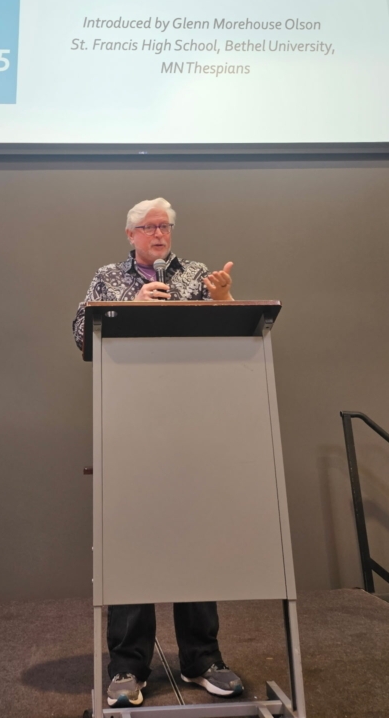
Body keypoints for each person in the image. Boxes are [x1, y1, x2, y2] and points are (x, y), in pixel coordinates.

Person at [73, 197, 243, 709]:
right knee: (132, 540)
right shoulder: (107, 278)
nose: (159, 233)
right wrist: (131, 308)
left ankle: (202, 659)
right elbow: (83, 336)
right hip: (130, 423)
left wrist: (225, 298)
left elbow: (231, 336)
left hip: (191, 422)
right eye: (149, 227)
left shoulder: (195, 274)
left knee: (194, 538)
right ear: (130, 235)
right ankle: (127, 667)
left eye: (165, 226)